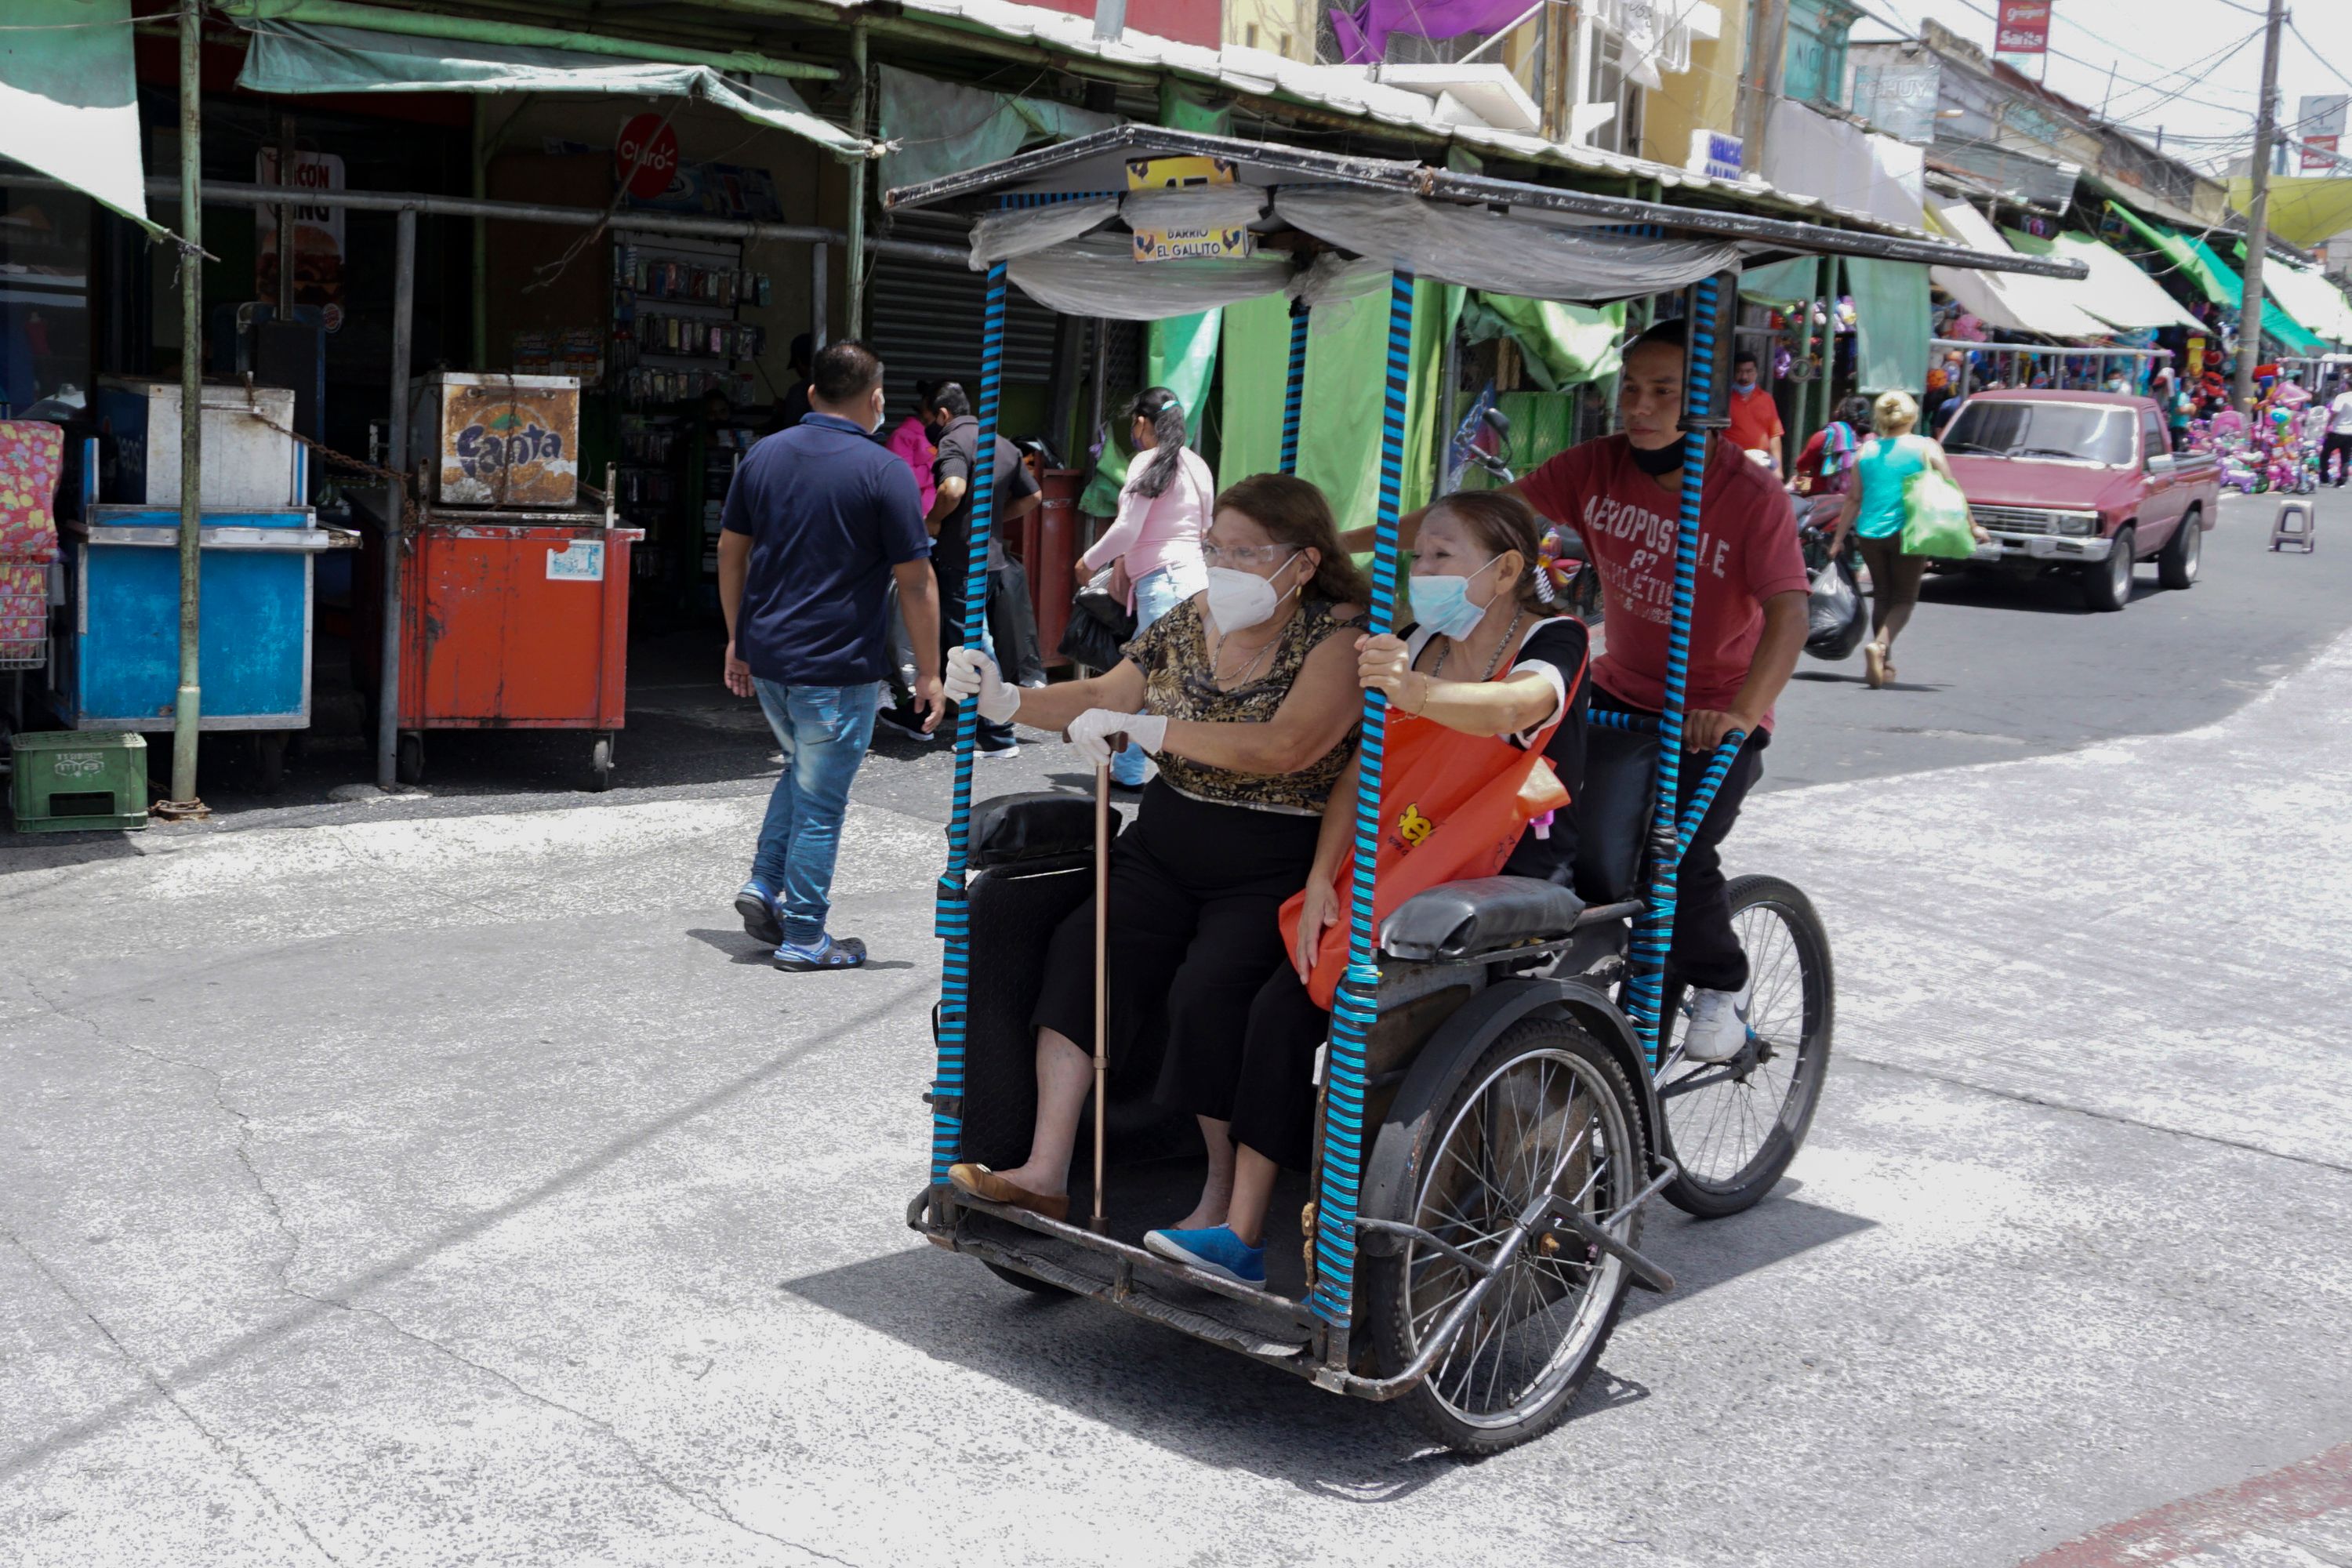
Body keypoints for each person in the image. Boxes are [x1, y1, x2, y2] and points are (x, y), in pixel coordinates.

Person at [1142, 491, 1588, 1287]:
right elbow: (1359, 772)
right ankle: (1240, 1229)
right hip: (1401, 850)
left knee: (1347, 1001)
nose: (1423, 573)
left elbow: (1518, 706)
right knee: (1274, 1001)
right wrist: (1320, 878)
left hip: (1502, 861)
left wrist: (1416, 693)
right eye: (1419, 557)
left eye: (1442, 557)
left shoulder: (1553, 638)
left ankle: (1318, 1221)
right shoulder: (1420, 638)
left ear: (1507, 568)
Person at [1353, 314, 1811, 1067]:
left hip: (1712, 712)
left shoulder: (1749, 494)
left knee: (1672, 860)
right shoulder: (1595, 465)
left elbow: (1789, 616)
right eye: (1632, 388)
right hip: (1618, 693)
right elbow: (1481, 525)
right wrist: (1342, 543)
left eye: (1665, 391)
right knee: (1579, 858)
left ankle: (1722, 987)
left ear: (1707, 402)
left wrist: (1736, 715)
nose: (1641, 405)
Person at [942, 474, 1367, 1239]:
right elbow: (1106, 690)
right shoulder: (1190, 616)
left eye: (1247, 551)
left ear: (1303, 563)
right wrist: (1007, 700)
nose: (1226, 564)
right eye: (1217, 548)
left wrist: (1158, 731)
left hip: (1268, 852)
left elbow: (1288, 745)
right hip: (1167, 839)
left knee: (1209, 993)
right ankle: (1045, 1170)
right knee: (1081, 949)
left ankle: (1220, 1197)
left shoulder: (1334, 640)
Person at [719, 339, 944, 971]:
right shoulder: (884, 472)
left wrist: (738, 637)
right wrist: (928, 672)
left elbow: (730, 553)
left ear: (813, 393)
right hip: (834, 665)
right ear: (875, 400)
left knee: (801, 770)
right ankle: (805, 935)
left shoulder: (762, 455)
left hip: (771, 659)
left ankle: (764, 883)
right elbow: (917, 581)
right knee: (822, 799)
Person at [1077, 387, 1213, 794]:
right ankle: (1160, 766)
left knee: (1146, 679)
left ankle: (1137, 769)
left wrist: (1088, 561)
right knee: (1180, 679)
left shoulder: (1146, 462)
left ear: (1141, 423)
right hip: (1196, 583)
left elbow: (1128, 529)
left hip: (1163, 585)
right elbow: (1204, 529)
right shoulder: (1197, 466)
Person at [1825, 390, 1986, 691]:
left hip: (1869, 533)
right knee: (1904, 599)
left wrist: (1837, 540)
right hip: (1909, 532)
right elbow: (1951, 489)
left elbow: (1853, 498)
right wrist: (1973, 526)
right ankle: (1880, 647)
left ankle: (1882, 665)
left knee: (1883, 595)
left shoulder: (1867, 451)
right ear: (1911, 415)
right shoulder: (1926, 447)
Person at [922, 381, 1040, 757]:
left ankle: (998, 733)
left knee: (975, 645)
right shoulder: (1002, 443)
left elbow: (952, 488)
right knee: (975, 643)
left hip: (962, 559)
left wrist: (934, 522)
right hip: (990, 559)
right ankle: (985, 728)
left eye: (929, 418)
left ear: (943, 414)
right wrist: (994, 521)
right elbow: (1034, 495)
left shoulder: (954, 441)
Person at [873, 384, 942, 742]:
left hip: (924, 538)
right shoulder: (903, 438)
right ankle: (914, 700)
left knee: (908, 622)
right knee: (904, 621)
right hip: (908, 540)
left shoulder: (932, 441)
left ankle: (915, 700)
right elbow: (905, 483)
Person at [1791, 395, 1874, 497]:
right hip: (1863, 499)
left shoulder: (1824, 437)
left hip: (1823, 500)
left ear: (1839, 414)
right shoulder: (1874, 441)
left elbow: (1802, 465)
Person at [1725, 350, 1785, 477]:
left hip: (1762, 466)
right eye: (1739, 371)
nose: (1744, 377)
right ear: (1733, 373)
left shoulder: (1766, 399)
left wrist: (1778, 469)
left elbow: (1774, 435)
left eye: (1749, 371)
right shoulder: (1723, 400)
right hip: (1731, 466)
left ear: (1756, 372)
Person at [771, 334, 815, 433]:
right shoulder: (835, 386)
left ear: (799, 362)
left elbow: (790, 430)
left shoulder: (798, 392)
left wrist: (784, 412)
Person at [2325, 379, 2352, 487]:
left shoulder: (2342, 397)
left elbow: (2336, 411)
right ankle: (2342, 480)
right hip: (2350, 433)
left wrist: (2329, 423)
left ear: (2347, 385)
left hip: (2338, 430)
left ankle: (2324, 477)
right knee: (2346, 457)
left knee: (2325, 453)